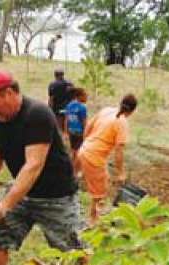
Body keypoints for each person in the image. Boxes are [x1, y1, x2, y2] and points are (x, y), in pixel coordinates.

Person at [0, 70, 82, 265]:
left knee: (73, 250)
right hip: (23, 193)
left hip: (57, 196)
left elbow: (33, 165)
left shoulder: (37, 114)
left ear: (10, 93)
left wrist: (5, 205)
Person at [78, 94, 138, 225]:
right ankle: (93, 221)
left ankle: (96, 215)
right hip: (93, 156)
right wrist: (121, 172)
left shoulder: (107, 110)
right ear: (133, 111)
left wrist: (86, 143)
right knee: (99, 193)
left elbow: (88, 127)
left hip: (85, 149)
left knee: (104, 182)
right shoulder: (122, 122)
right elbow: (119, 151)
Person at [64, 87, 88, 173]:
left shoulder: (69, 105)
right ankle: (78, 170)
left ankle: (72, 168)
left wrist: (66, 132)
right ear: (79, 96)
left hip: (71, 131)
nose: (86, 97)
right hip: (79, 132)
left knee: (73, 150)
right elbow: (84, 122)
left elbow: (66, 120)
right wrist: (86, 134)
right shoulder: (82, 107)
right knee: (80, 152)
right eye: (85, 95)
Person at [48, 68, 73, 134]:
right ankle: (67, 137)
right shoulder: (70, 84)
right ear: (63, 75)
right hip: (68, 108)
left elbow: (51, 98)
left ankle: (61, 137)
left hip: (57, 108)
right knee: (67, 124)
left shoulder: (52, 85)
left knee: (59, 126)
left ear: (55, 75)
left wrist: (50, 108)